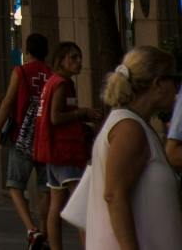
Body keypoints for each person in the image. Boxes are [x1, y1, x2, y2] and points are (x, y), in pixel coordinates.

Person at [74, 45, 182, 250]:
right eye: (174, 80)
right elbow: (114, 195)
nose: (177, 89)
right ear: (158, 83)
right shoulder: (129, 129)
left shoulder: (133, 125)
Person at [34, 40, 101, 250]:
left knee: (57, 205)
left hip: (54, 152)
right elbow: (55, 117)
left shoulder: (54, 82)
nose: (78, 62)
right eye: (73, 58)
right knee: (81, 204)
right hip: (65, 151)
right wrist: (82, 113)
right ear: (61, 61)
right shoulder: (62, 84)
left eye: (79, 57)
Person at [0, 31, 53, 248]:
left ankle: (32, 229)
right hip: (46, 138)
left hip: (22, 137)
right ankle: (45, 229)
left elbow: (8, 102)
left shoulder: (20, 72)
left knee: (15, 186)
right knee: (46, 188)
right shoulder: (51, 74)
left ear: (27, 51)